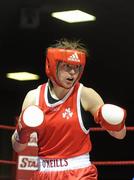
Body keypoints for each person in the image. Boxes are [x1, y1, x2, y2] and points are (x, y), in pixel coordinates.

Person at [11, 38, 127, 180]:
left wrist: (116, 123)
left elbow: (120, 135)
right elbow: (18, 147)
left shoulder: (85, 95)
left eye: (77, 67)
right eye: (67, 66)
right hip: (44, 173)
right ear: (53, 66)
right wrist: (22, 132)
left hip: (80, 173)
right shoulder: (34, 97)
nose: (73, 72)